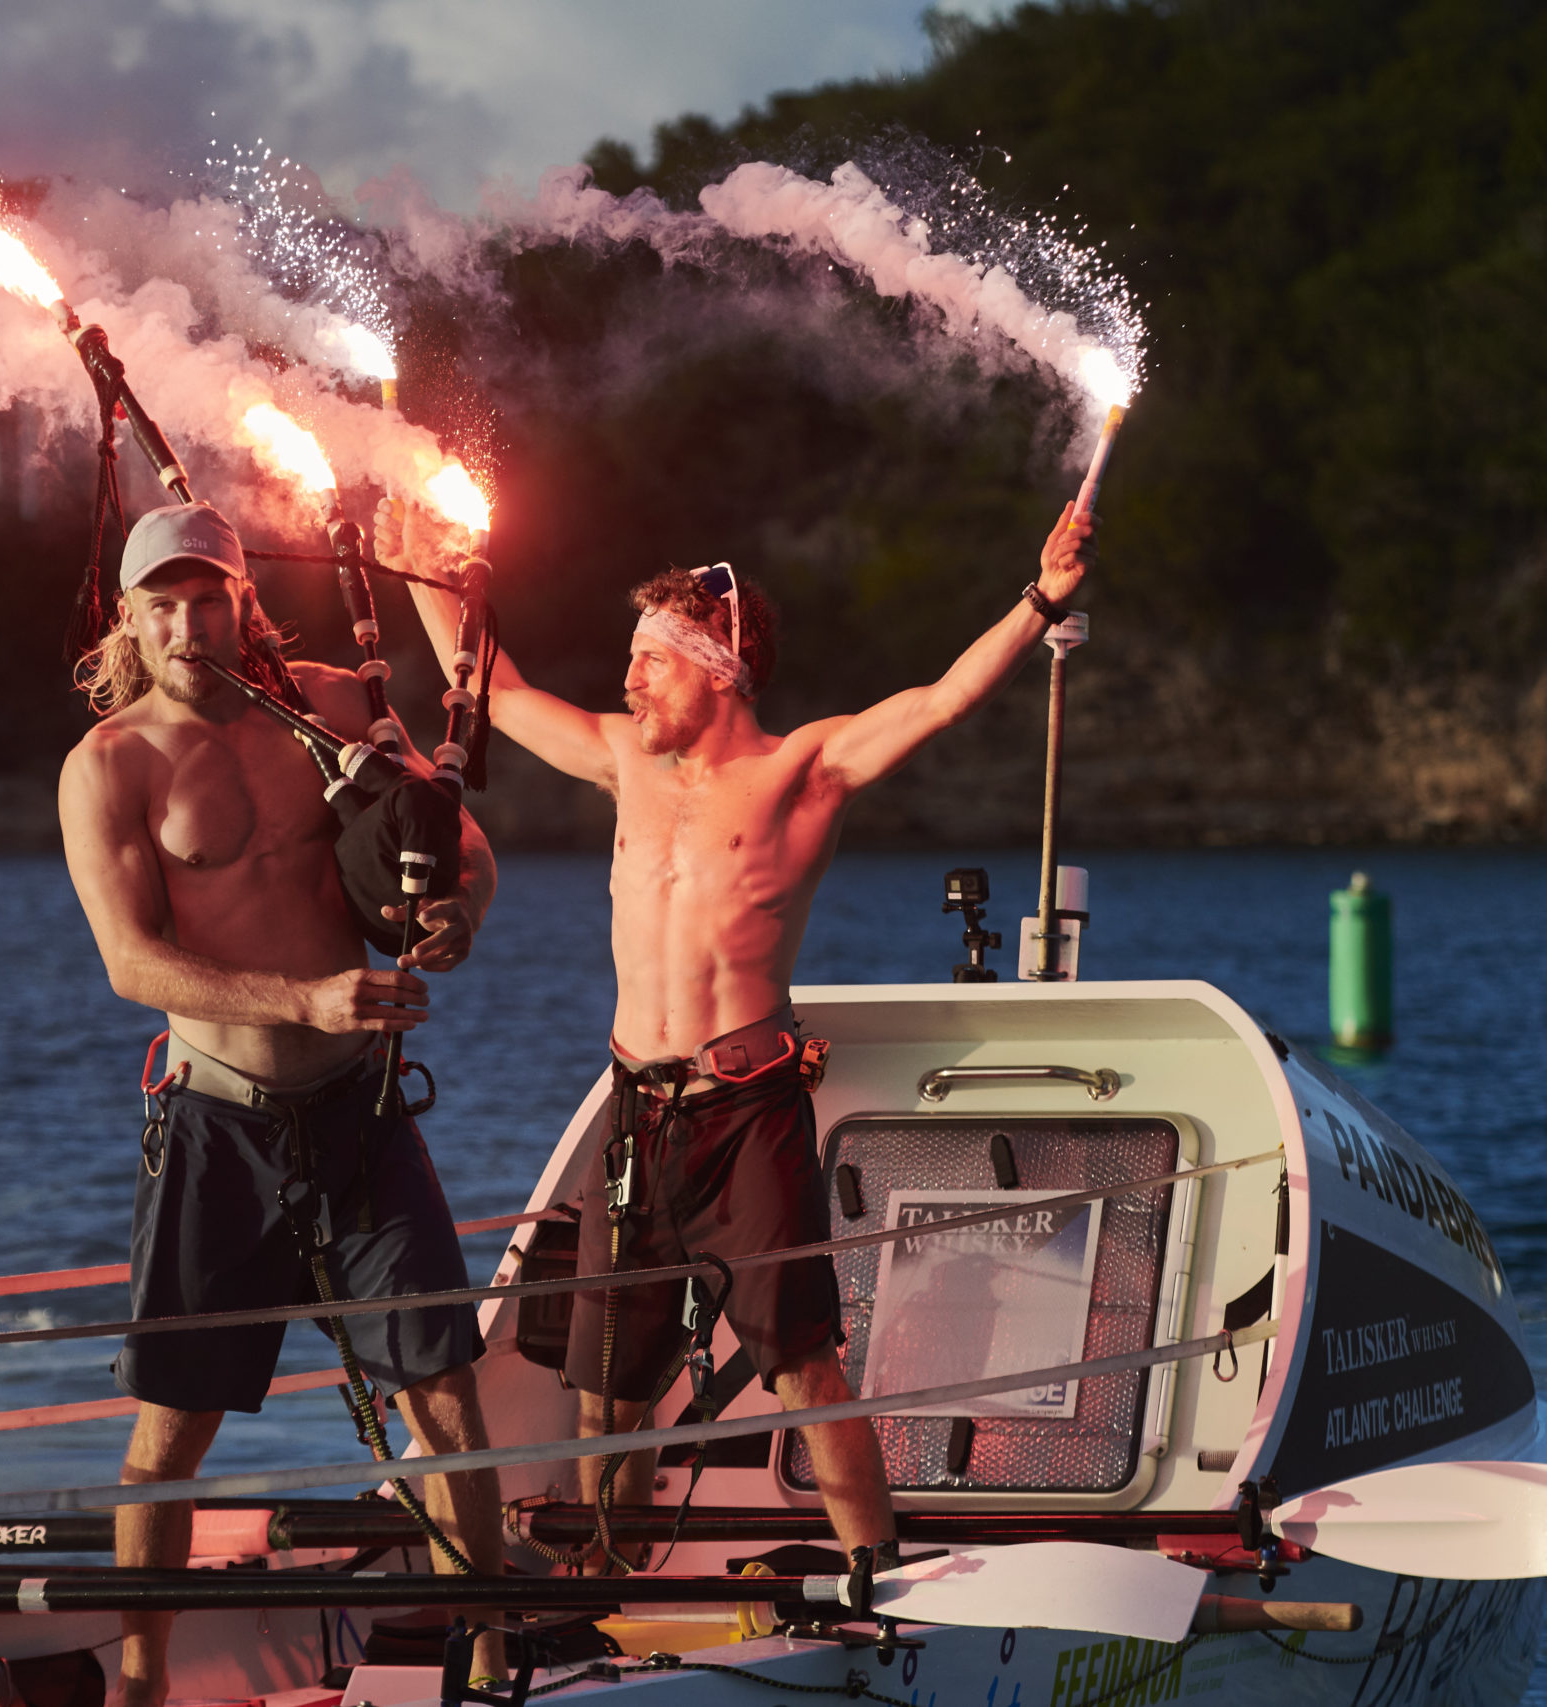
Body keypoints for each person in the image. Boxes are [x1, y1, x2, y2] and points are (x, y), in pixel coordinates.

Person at [391, 496, 1096, 1581]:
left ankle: (876, 1581)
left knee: (804, 1368)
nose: (627, 681)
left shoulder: (801, 770)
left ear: (718, 665)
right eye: (628, 662)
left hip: (747, 1114)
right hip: (635, 1114)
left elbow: (944, 701)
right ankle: (603, 1591)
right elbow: (494, 687)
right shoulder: (622, 758)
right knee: (607, 1394)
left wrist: (1040, 595)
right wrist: (423, 574)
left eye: (649, 663)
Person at [59, 503, 508, 1704]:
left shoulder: (336, 710)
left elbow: (456, 842)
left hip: (360, 1114)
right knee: (170, 1429)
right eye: (162, 602)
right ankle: (143, 1679)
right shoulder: (110, 764)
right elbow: (131, 965)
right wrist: (301, 1000)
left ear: (244, 601)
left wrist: (457, 912)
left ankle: (492, 1648)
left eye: (209, 598)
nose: (187, 623)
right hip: (218, 1123)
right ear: (130, 617)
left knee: (445, 1391)